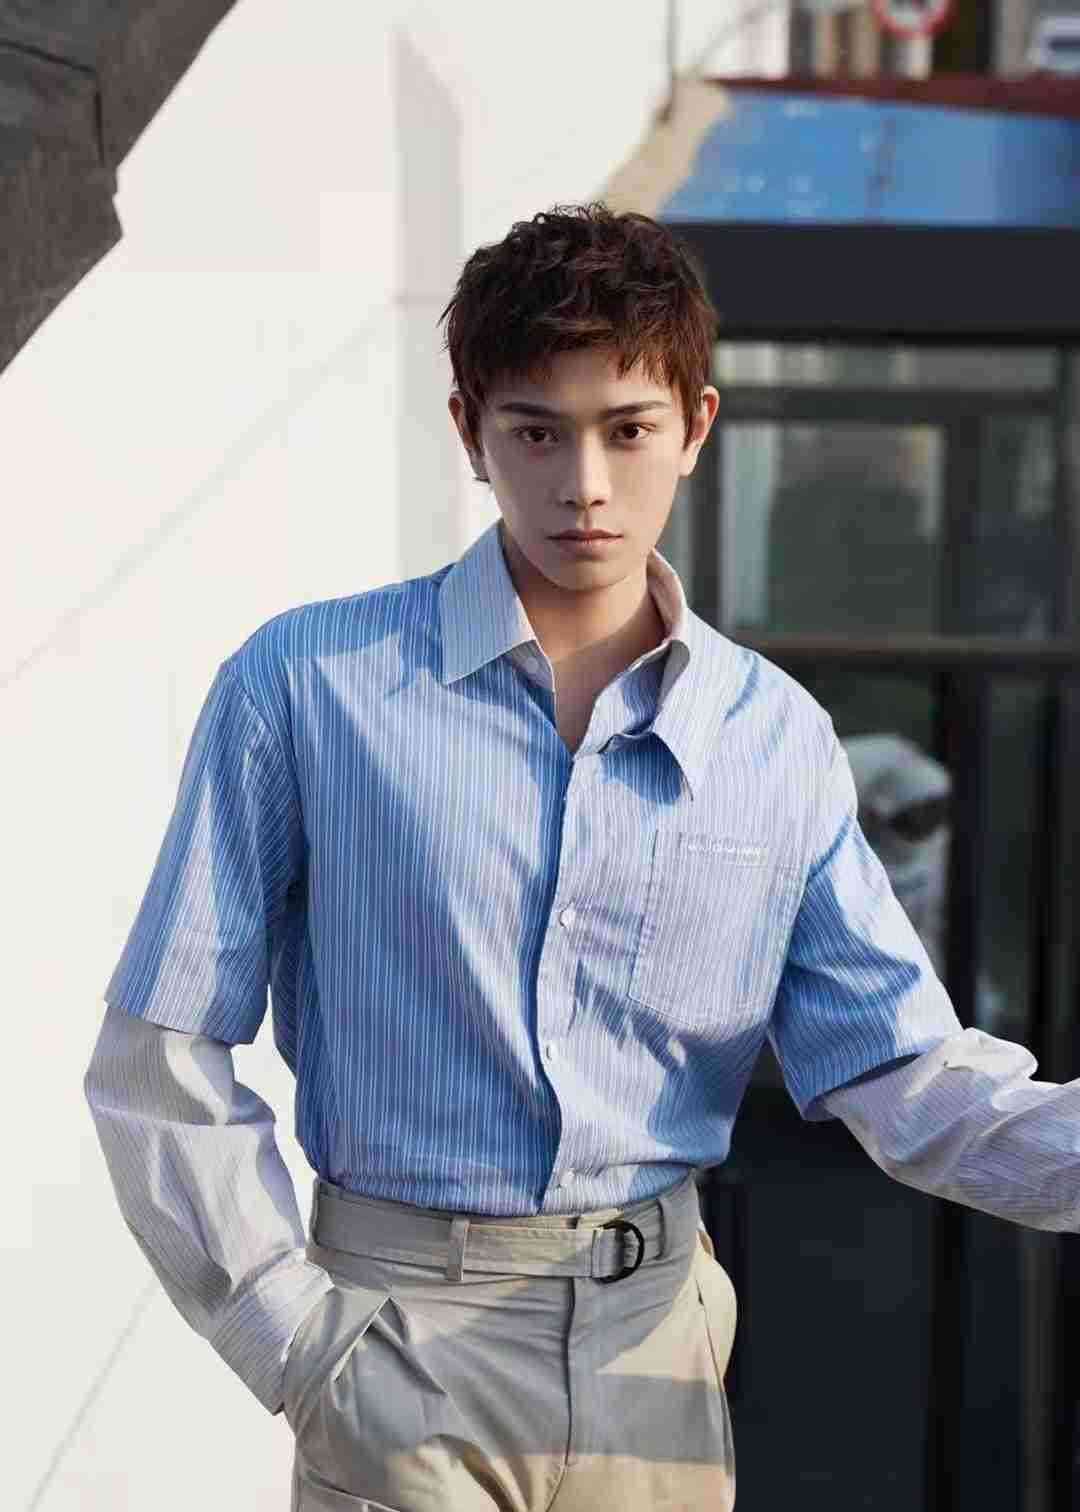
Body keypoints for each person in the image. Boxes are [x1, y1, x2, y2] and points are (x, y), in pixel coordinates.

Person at [84, 203, 1079, 1512]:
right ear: (470, 432)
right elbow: (156, 1058)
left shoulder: (772, 737)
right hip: (400, 1331)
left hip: (656, 1349)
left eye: (628, 429)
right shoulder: (306, 686)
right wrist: (303, 1348)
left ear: (698, 427)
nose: (585, 484)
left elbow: (902, 1074)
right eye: (537, 432)